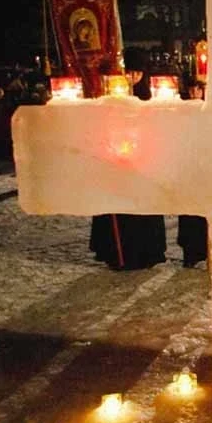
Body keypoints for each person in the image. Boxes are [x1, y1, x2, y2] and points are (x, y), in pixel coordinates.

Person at [88, 47, 167, 269]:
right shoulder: (112, 96)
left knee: (143, 208)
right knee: (119, 207)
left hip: (143, 160)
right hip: (117, 158)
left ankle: (147, 252)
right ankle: (115, 252)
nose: (133, 77)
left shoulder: (149, 97)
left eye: (138, 73)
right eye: (129, 72)